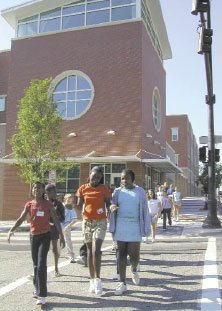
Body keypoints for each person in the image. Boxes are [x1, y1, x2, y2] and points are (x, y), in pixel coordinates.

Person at [7, 182, 65, 306]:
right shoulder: (29, 204)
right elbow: (21, 218)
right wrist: (11, 230)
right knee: (35, 265)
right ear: (32, 190)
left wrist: (62, 236)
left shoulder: (48, 204)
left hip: (45, 236)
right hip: (33, 237)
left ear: (43, 190)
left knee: (41, 264)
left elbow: (56, 221)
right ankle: (37, 288)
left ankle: (42, 295)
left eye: (39, 188)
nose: (36, 189)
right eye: (34, 188)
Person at [109, 169, 151, 295]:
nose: (124, 180)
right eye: (122, 178)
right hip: (121, 225)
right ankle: (122, 283)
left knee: (134, 256)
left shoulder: (140, 192)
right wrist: (112, 207)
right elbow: (111, 204)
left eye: (127, 178)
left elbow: (145, 210)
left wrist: (146, 228)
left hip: (135, 226)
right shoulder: (117, 192)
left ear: (133, 179)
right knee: (120, 255)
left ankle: (133, 269)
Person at [76, 166, 111, 295]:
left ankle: (98, 280)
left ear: (101, 178)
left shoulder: (104, 189)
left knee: (97, 250)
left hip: (101, 221)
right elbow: (79, 205)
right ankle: (91, 280)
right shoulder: (82, 188)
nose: (95, 179)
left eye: (98, 177)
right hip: (87, 222)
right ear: (89, 174)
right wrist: (72, 206)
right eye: (94, 176)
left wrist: (111, 206)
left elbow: (108, 203)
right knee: (90, 251)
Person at [45, 184, 65, 277]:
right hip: (44, 228)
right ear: (47, 192)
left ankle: (56, 269)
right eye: (53, 192)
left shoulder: (59, 204)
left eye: (56, 191)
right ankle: (41, 269)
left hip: (54, 228)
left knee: (54, 249)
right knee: (43, 249)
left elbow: (62, 218)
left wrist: (56, 216)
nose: (55, 194)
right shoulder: (42, 202)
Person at [61, 193, 78, 262]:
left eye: (71, 201)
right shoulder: (60, 206)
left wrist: (68, 226)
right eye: (68, 201)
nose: (69, 202)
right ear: (65, 200)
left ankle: (71, 255)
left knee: (68, 240)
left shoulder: (71, 209)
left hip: (67, 226)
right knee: (57, 240)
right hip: (58, 226)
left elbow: (75, 219)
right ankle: (57, 252)